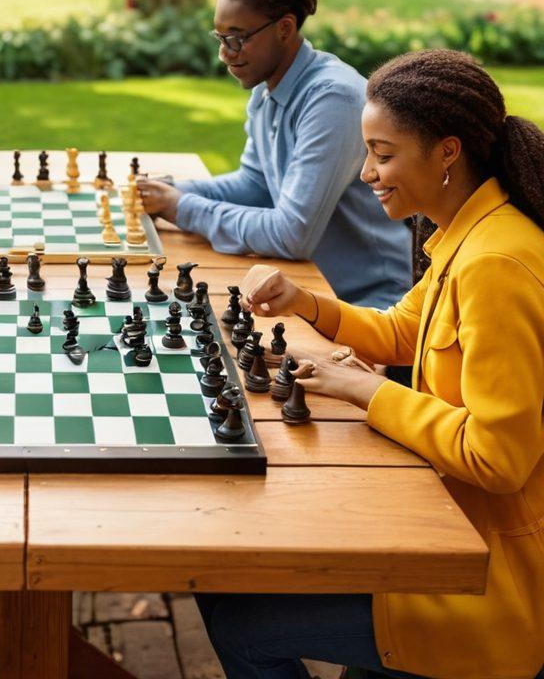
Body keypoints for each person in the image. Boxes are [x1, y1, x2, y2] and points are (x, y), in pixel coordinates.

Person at [198, 49, 544, 679]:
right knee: (218, 576)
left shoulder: (496, 263)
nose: (365, 173)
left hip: (483, 577)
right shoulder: (469, 234)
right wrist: (305, 303)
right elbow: (403, 330)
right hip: (436, 532)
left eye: (383, 154)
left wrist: (366, 392)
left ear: (447, 152)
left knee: (237, 623)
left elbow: (499, 456)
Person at [137, 0, 411, 310]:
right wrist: (167, 191)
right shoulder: (267, 88)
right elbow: (254, 185)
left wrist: (181, 207)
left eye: (237, 38)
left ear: (284, 27)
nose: (225, 54)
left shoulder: (332, 100)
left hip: (369, 307)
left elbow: (291, 234)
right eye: (219, 37)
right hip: (306, 290)